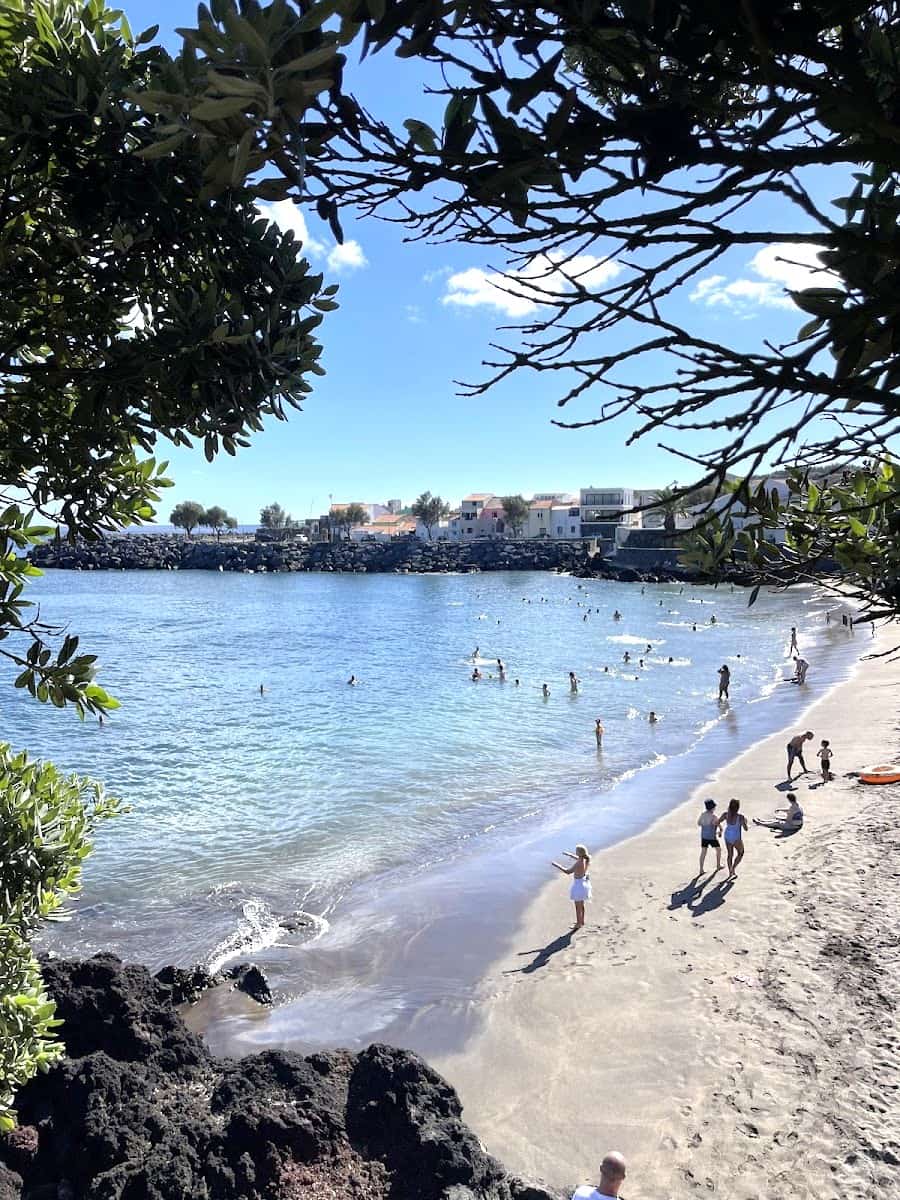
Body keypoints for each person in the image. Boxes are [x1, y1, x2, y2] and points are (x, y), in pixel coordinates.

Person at [551, 844, 592, 928]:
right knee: (581, 905)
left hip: (578, 886)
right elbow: (576, 858)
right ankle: (582, 921)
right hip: (583, 885)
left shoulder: (578, 863)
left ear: (579, 853)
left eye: (576, 851)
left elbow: (567, 871)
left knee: (577, 907)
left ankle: (578, 924)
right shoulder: (584, 859)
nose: (575, 852)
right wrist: (568, 854)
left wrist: (556, 865)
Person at [718, 798, 748, 877]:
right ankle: (733, 868)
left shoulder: (725, 814)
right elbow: (746, 829)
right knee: (741, 853)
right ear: (738, 807)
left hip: (727, 836)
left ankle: (730, 871)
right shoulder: (740, 817)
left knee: (730, 854)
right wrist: (745, 822)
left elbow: (717, 821)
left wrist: (720, 830)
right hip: (736, 837)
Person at [698, 798, 721, 873]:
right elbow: (718, 825)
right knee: (718, 849)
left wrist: (705, 825)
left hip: (704, 837)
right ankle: (718, 866)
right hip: (712, 837)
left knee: (703, 852)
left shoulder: (702, 815)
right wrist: (720, 831)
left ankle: (701, 869)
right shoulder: (713, 816)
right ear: (713, 808)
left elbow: (699, 823)